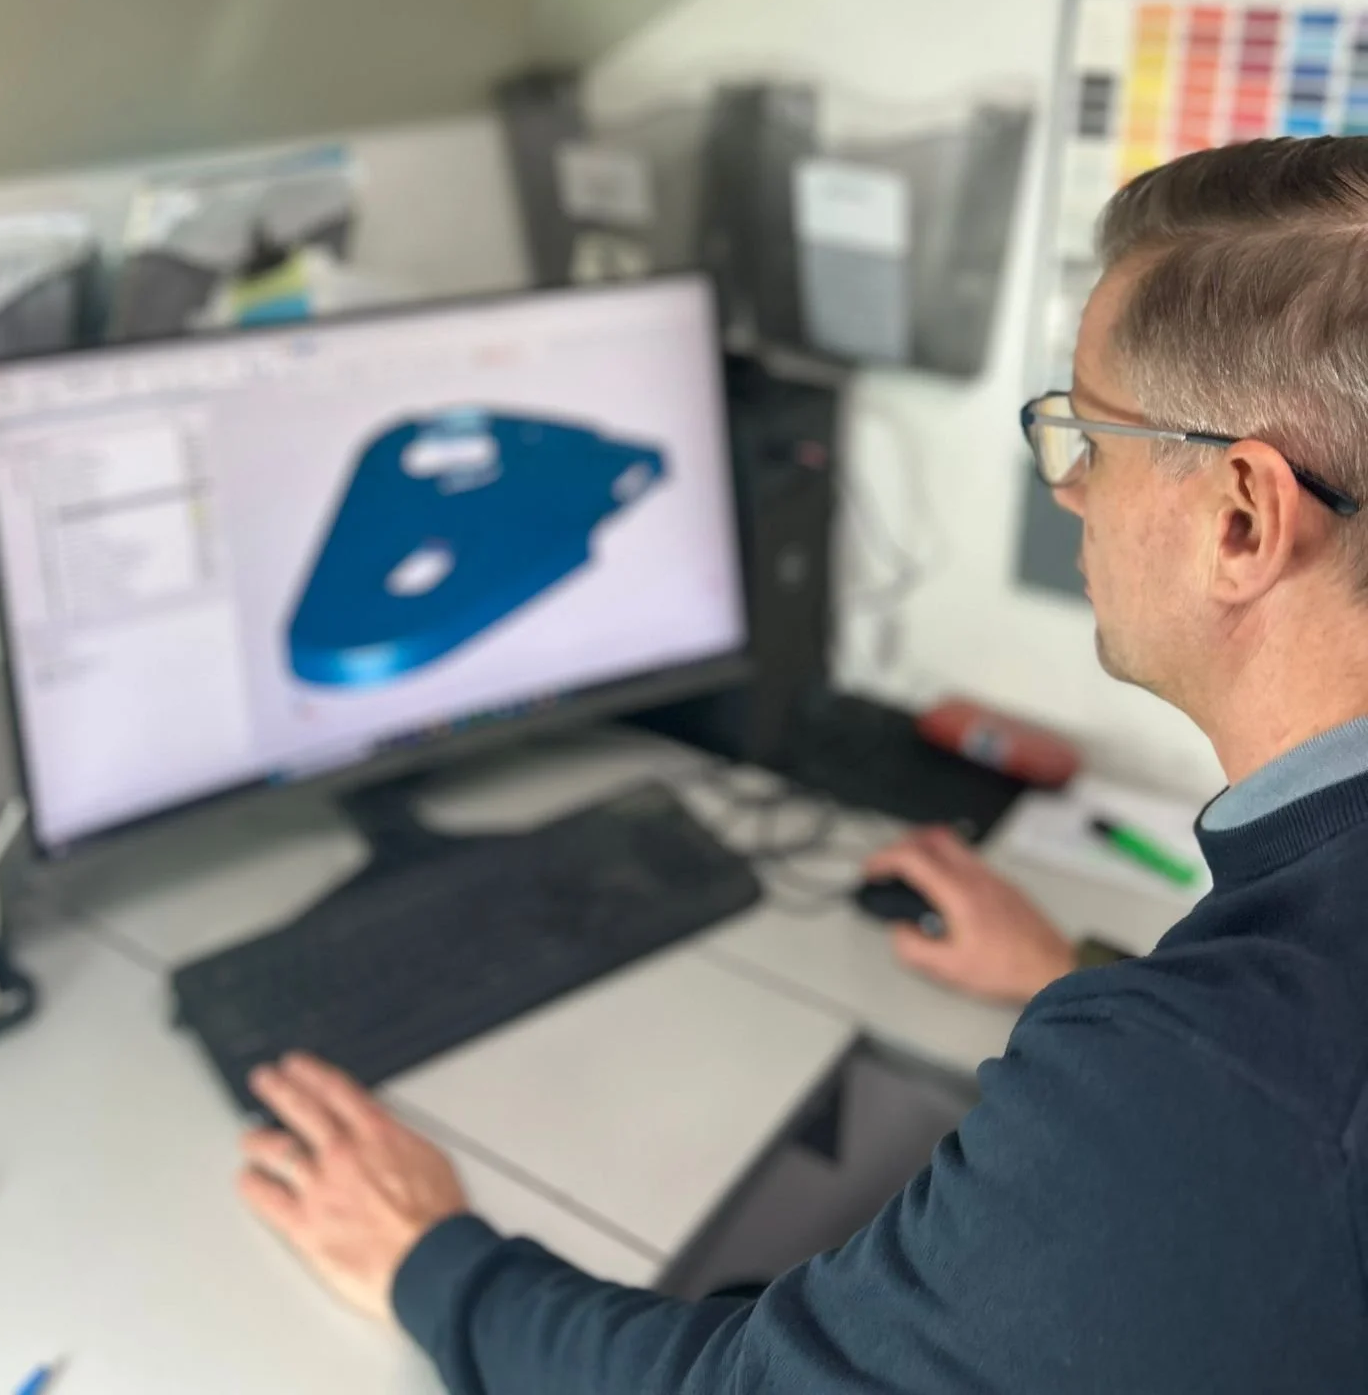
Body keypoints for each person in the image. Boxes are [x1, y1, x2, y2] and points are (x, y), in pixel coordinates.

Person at [236, 135, 1368, 1392]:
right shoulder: (1253, 1049)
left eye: (1091, 437)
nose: (1069, 491)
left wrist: (428, 1258)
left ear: (1241, 518)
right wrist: (1074, 975)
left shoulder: (1206, 1089)